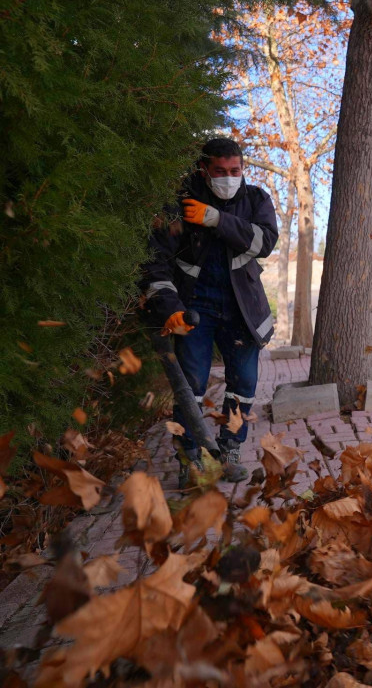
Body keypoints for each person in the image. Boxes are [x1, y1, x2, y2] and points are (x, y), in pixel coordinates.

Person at [139, 137, 278, 487]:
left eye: (235, 171)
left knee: (244, 383)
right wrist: (170, 309)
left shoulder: (255, 199)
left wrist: (217, 219)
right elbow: (155, 264)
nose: (229, 178)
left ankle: (230, 448)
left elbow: (265, 242)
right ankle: (191, 459)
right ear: (205, 169)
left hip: (241, 308)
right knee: (192, 386)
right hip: (195, 308)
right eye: (220, 171)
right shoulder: (181, 202)